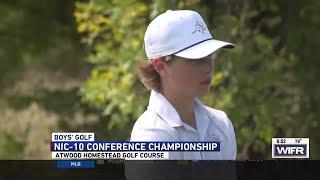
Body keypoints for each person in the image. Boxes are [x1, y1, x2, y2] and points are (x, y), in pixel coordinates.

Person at [130, 9, 237, 160]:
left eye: (210, 56)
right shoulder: (150, 136)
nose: (208, 67)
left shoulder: (221, 124)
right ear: (160, 66)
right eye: (196, 59)